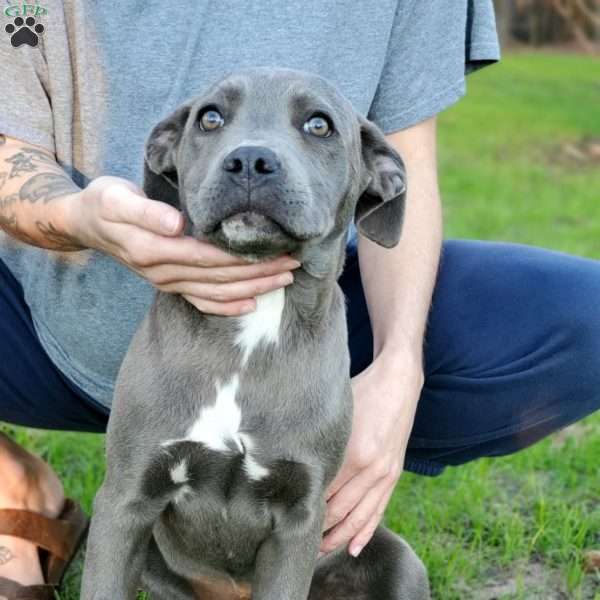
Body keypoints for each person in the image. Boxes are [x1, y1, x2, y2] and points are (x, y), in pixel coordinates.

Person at [1, 1, 598, 596]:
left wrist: (398, 367)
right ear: (166, 160)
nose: (251, 156)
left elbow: (407, 149)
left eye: (315, 127)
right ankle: (11, 479)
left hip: (317, 321)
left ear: (375, 181)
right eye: (212, 122)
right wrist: (76, 215)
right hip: (51, 319)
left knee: (584, 314)